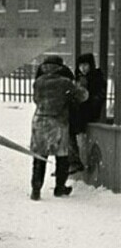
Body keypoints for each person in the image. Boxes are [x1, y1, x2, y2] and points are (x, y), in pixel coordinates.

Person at [30, 55, 88, 201]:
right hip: (58, 122)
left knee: (39, 157)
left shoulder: (38, 82)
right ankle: (59, 188)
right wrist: (81, 88)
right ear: (59, 67)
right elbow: (82, 96)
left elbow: (36, 100)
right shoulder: (65, 83)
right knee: (62, 157)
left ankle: (36, 189)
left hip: (40, 122)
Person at [68, 53, 107, 174]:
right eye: (81, 65)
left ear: (91, 65)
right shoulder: (78, 78)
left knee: (69, 128)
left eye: (85, 65)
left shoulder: (97, 78)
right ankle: (68, 163)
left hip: (89, 112)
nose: (83, 68)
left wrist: (87, 100)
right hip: (80, 111)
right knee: (64, 127)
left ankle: (73, 162)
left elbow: (99, 97)